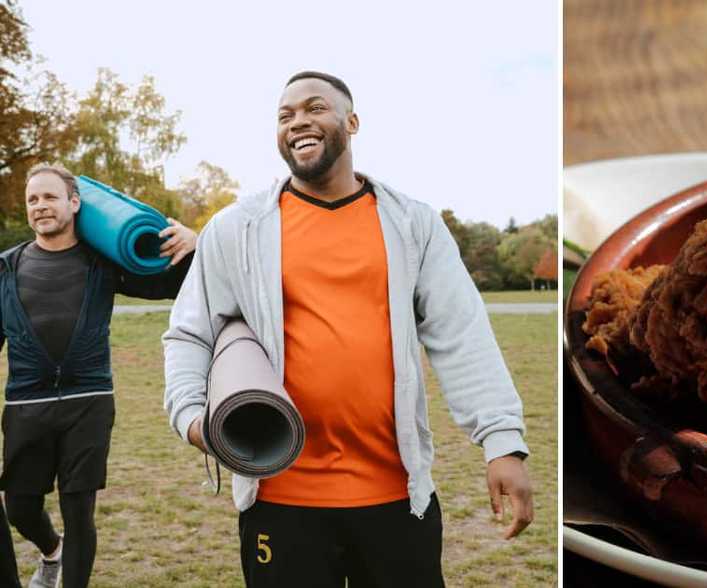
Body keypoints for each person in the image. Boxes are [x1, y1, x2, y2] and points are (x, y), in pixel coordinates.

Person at [162, 71, 534, 587]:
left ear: (352, 122)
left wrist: (502, 442)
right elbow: (190, 334)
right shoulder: (235, 229)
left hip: (395, 497)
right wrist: (190, 418)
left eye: (315, 108)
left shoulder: (413, 224)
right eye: (285, 115)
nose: (298, 122)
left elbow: (461, 334)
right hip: (281, 499)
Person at [0, 163, 197, 588]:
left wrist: (192, 244)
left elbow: (169, 285)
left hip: (88, 401)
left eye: (50, 197)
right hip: (25, 403)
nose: (40, 206)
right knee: (19, 507)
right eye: (33, 199)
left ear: (74, 203)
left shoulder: (103, 263)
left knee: (79, 511)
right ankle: (52, 551)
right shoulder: (7, 268)